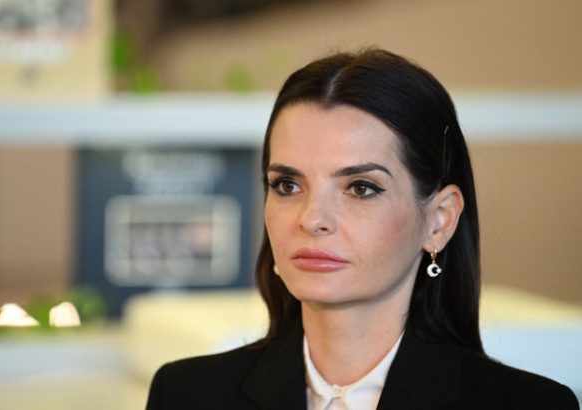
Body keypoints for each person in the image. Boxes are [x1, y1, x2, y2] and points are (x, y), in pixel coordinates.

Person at [146, 49, 579, 410]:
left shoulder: (530, 406)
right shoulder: (186, 396)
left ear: (440, 219)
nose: (312, 219)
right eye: (287, 185)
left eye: (360, 188)